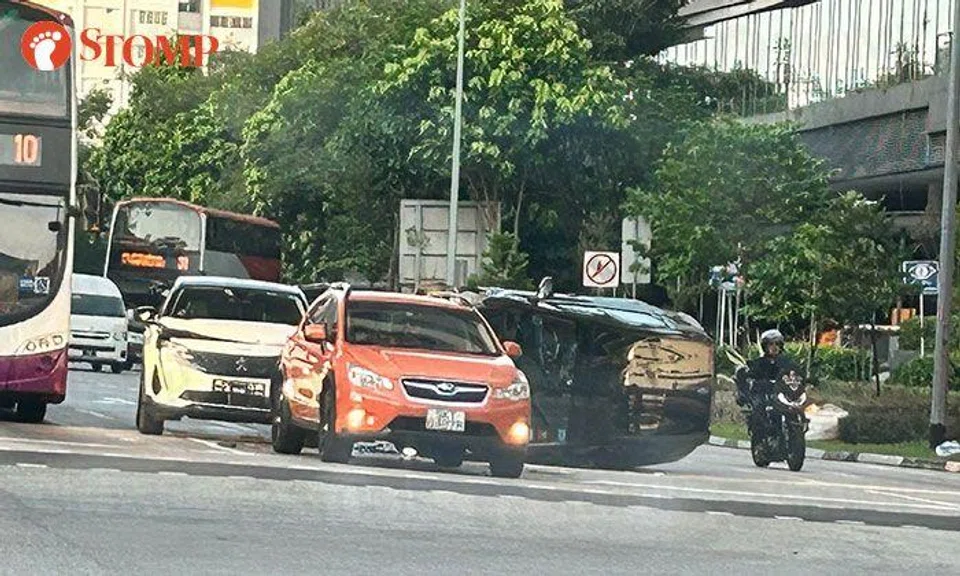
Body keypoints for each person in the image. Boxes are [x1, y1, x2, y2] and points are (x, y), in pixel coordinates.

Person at [735, 329, 799, 407]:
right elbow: (749, 376)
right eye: (771, 344)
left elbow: (796, 375)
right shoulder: (758, 363)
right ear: (765, 346)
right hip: (763, 398)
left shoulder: (786, 362)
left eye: (777, 344)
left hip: (783, 397)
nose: (774, 347)